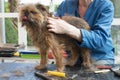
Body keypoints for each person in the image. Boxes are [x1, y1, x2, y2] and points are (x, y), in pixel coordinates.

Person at [47, 0, 115, 65]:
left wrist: (68, 28)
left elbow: (99, 39)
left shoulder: (105, 5)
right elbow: (54, 28)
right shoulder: (65, 5)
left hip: (99, 56)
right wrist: (51, 47)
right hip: (72, 56)